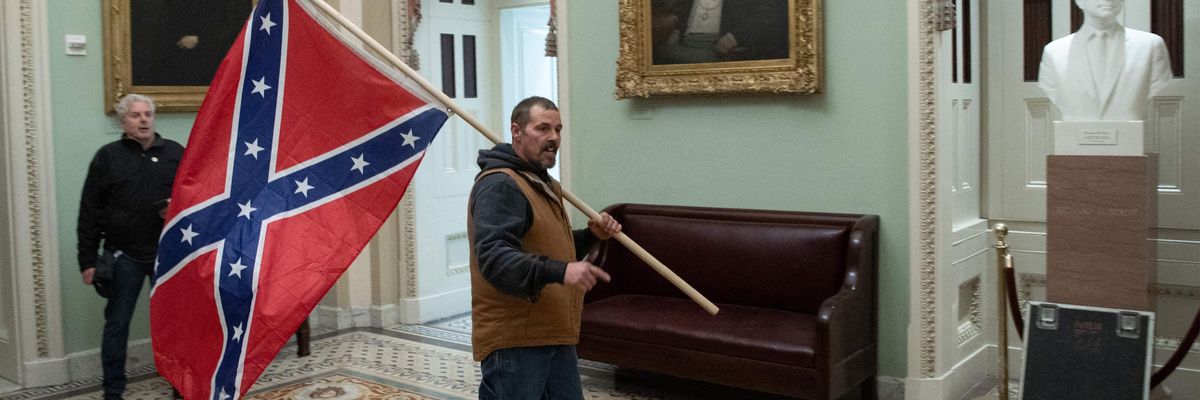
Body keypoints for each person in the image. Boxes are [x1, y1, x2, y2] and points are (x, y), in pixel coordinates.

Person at [468, 96, 622, 399]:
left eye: (558, 129)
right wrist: (561, 271)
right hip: (517, 341)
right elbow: (495, 260)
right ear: (517, 131)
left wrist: (591, 237)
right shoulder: (500, 185)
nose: (553, 138)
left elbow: (552, 248)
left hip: (553, 333)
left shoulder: (543, 183)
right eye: (543, 128)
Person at [78, 94, 184, 400]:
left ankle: (180, 381)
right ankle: (113, 390)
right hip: (124, 256)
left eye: (148, 114)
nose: (143, 120)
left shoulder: (175, 153)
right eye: (135, 115)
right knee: (117, 324)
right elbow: (90, 210)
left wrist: (174, 208)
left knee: (173, 323)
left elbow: (195, 196)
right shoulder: (107, 157)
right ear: (123, 122)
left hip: (168, 255)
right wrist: (87, 260)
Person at [1038, 0, 1172, 121]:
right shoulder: (1054, 51)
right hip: (1075, 137)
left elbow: (1158, 83)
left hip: (1129, 137)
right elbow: (1052, 89)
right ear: (1079, 1)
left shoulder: (1150, 45)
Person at [652, 0, 789, 65]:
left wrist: (736, 36)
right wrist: (676, 30)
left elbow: (771, 16)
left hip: (721, 52)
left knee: (659, 52)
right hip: (685, 44)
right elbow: (681, 12)